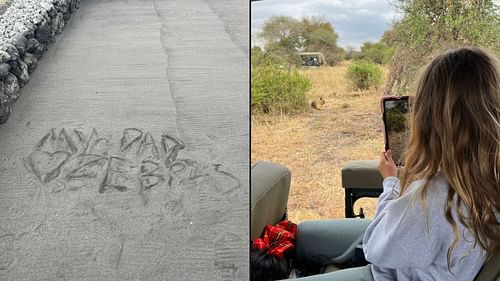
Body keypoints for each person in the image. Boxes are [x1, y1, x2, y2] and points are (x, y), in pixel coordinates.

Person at [286, 47, 500, 280]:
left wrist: (391, 184)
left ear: (429, 119)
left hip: (388, 270)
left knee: (306, 242)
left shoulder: (432, 197)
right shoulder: (484, 179)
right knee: (303, 234)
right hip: (410, 254)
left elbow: (375, 250)